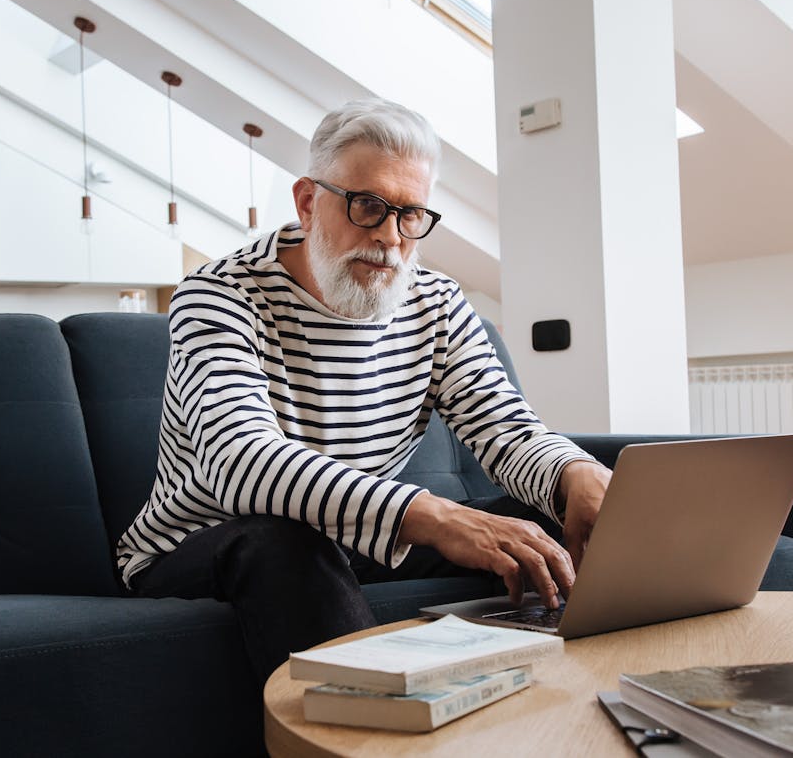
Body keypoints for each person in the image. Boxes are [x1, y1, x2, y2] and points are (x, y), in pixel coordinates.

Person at [119, 97, 612, 686]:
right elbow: (240, 463)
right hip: (206, 544)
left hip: (351, 542)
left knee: (551, 527)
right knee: (283, 542)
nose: (389, 239)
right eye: (368, 206)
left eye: (410, 215)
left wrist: (575, 475)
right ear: (307, 202)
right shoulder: (219, 294)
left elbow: (505, 429)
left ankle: (597, 707)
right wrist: (429, 513)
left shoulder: (436, 302)